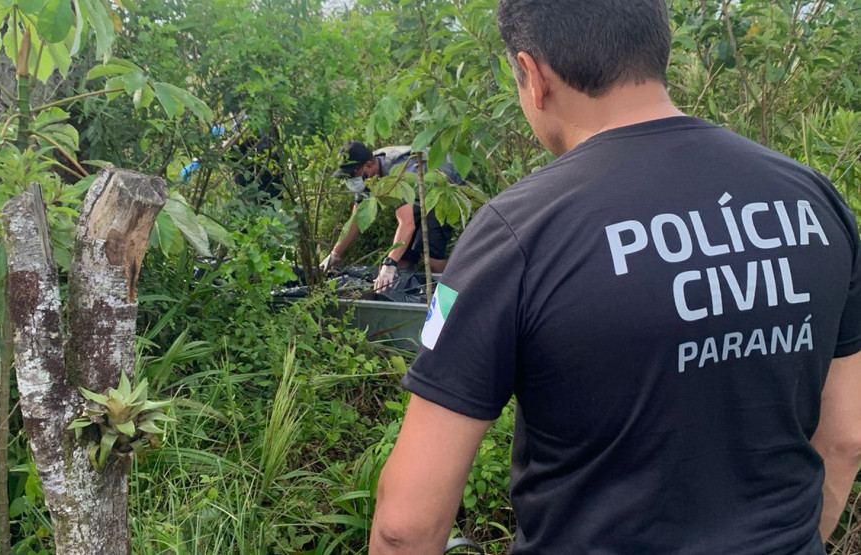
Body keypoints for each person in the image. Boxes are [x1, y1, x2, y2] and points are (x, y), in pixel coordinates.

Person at [369, 0, 861, 553]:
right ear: (658, 48)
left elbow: (405, 526)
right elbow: (845, 440)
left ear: (532, 76)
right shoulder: (816, 203)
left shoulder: (514, 233)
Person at [321, 142, 457, 291]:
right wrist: (334, 255)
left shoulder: (395, 174)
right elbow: (356, 220)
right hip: (417, 195)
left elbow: (407, 224)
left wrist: (389, 263)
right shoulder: (369, 178)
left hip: (443, 189)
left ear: (369, 165)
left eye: (352, 174)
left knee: (432, 255)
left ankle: (448, 299)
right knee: (402, 263)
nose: (350, 180)